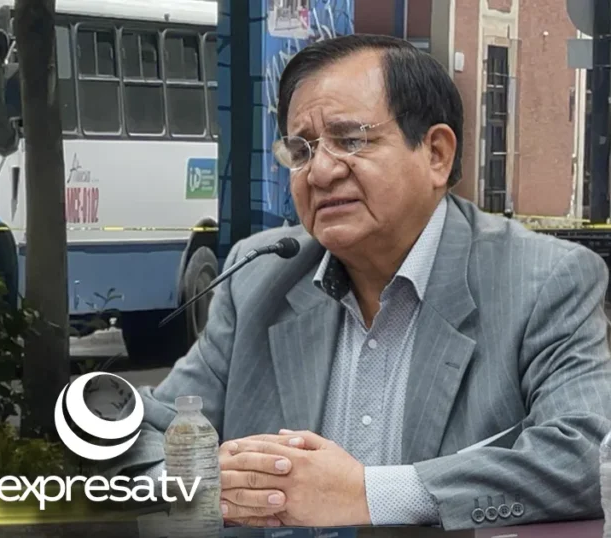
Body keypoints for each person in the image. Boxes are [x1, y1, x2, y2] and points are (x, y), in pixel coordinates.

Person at [104, 34, 611, 531]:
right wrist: (207, 482)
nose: (320, 172)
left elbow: (586, 456)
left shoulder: (543, 280)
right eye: (301, 151)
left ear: (436, 153)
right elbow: (142, 432)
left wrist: (369, 494)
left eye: (351, 140)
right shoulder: (259, 277)